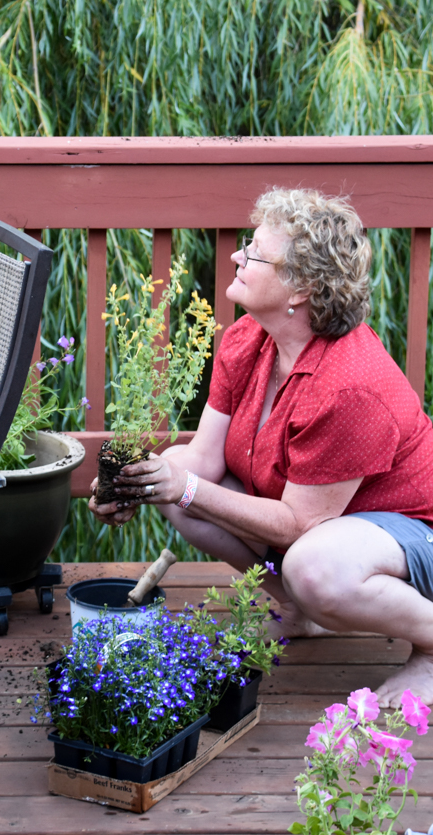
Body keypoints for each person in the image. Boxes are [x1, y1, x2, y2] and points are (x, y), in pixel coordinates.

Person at [89, 188, 433, 708]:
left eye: (253, 252)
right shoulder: (248, 341)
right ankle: (298, 614)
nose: (235, 256)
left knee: (313, 567)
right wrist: (132, 483)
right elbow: (199, 464)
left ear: (301, 287)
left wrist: (183, 486)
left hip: (416, 531)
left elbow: (298, 526)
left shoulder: (349, 386)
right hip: (335, 527)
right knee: (182, 486)